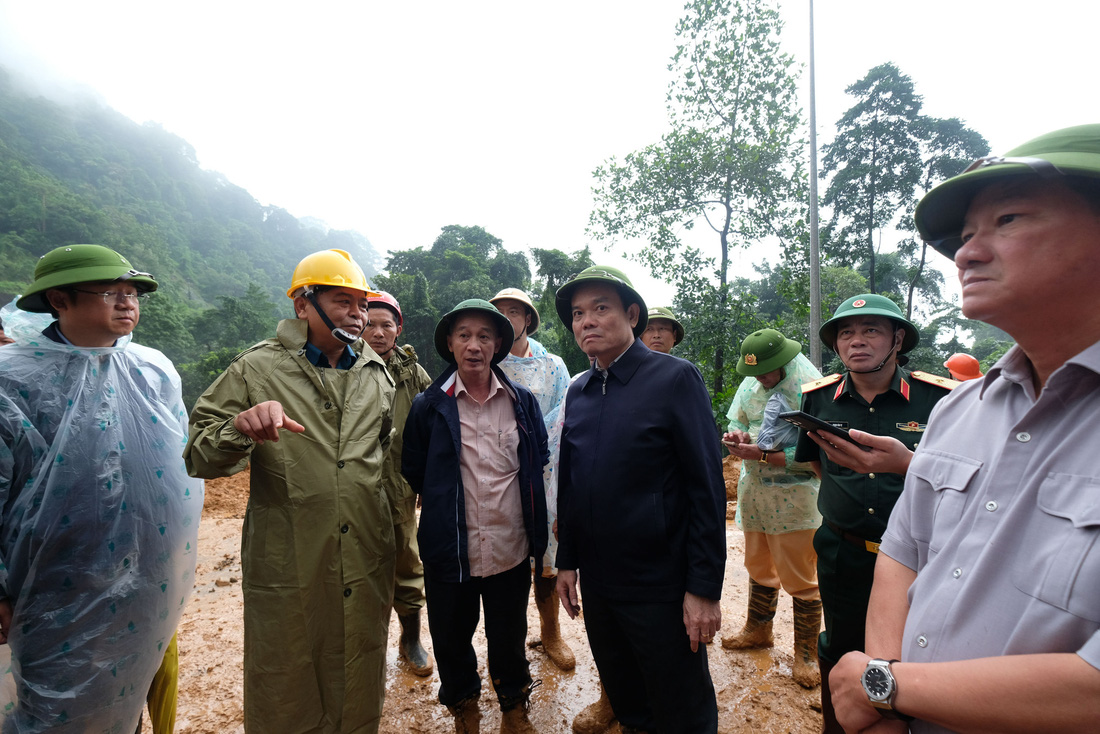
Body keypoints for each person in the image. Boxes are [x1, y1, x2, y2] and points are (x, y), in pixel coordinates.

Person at [829, 124, 1100, 733]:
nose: (968, 253)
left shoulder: (932, 399)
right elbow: (903, 554)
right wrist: (887, 693)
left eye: (1007, 220)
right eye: (967, 235)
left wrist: (885, 686)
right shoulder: (960, 411)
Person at [185, 249, 396, 733]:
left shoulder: (376, 373)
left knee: (361, 668)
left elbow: (383, 459)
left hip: (366, 551)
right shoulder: (255, 370)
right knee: (288, 673)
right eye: (343, 302)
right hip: (290, 556)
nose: (358, 315)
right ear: (304, 305)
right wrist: (239, 427)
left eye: (362, 305)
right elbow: (198, 454)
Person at [0, 244, 201, 733]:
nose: (127, 302)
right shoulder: (13, 379)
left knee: (128, 692)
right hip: (52, 581)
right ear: (59, 300)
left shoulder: (154, 369)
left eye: (133, 292)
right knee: (54, 704)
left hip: (144, 574)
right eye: (111, 291)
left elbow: (178, 471)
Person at [554, 266, 726, 734]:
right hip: (601, 583)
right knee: (628, 696)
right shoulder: (580, 390)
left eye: (600, 308)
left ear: (632, 314)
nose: (586, 321)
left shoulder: (674, 379)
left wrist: (704, 587)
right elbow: (570, 484)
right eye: (577, 313)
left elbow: (706, 488)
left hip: (660, 584)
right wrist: (567, 561)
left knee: (681, 705)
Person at [792, 293, 956, 733]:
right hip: (843, 551)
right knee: (843, 647)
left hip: (925, 558)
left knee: (918, 652)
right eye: (846, 332)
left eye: (871, 331)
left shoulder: (940, 398)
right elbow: (816, 463)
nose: (856, 341)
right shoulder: (819, 400)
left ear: (897, 339)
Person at [402, 299, 548, 734]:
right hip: (451, 549)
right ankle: (464, 705)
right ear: (449, 343)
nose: (473, 345)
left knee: (508, 634)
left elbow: (536, 458)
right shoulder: (428, 406)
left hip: (510, 546)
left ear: (498, 344)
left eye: (485, 336)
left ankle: (513, 705)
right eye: (463, 335)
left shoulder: (521, 402)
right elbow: (413, 468)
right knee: (450, 637)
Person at [720, 329, 824, 688]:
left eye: (767, 371)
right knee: (759, 564)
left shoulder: (812, 390)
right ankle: (758, 629)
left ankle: (807, 653)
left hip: (796, 497)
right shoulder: (750, 386)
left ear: (784, 363)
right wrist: (739, 438)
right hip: (756, 494)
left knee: (802, 576)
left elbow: (821, 454)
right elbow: (739, 422)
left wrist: (765, 454)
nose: (761, 379)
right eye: (755, 373)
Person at [488, 287, 574, 671]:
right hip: (496, 472)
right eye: (500, 312)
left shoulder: (552, 364)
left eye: (514, 311)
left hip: (545, 470)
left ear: (528, 318)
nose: (507, 317)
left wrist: (538, 452)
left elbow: (565, 414)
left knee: (547, 556)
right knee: (506, 556)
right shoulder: (485, 361)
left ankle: (551, 633)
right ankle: (510, 643)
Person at [365, 291, 434, 676]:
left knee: (407, 563)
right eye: (370, 324)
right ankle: (365, 647)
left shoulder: (412, 372)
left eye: (386, 325)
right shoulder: (344, 368)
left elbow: (431, 429)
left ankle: (410, 641)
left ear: (398, 329)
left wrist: (428, 479)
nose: (377, 332)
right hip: (354, 490)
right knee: (355, 567)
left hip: (401, 487)